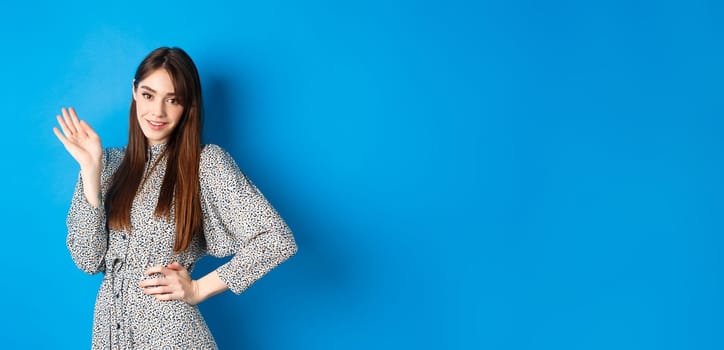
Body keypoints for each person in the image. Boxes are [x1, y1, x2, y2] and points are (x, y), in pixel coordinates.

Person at [53, 47, 297, 349]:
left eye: (173, 100)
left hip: (172, 337)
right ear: (134, 91)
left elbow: (277, 239)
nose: (158, 112)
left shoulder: (204, 165)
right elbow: (87, 260)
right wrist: (90, 171)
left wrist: (198, 288)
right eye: (148, 95)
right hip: (109, 336)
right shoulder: (107, 164)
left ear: (188, 105)